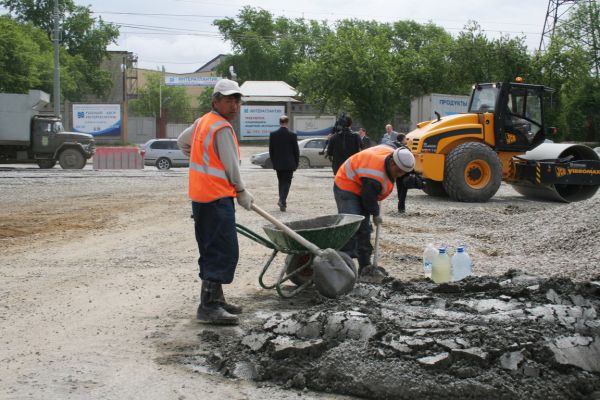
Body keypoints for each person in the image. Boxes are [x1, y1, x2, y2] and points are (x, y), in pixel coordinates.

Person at [177, 78, 253, 326]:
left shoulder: (203, 122)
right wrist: (241, 190)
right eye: (229, 100)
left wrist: (196, 155)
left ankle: (216, 299)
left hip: (201, 197)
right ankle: (208, 306)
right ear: (215, 101)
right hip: (216, 196)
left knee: (211, 247)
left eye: (237, 100)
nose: (234, 106)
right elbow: (231, 165)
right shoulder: (220, 128)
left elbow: (182, 141)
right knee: (223, 250)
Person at [334, 145, 415, 276]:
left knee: (364, 228)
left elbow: (369, 197)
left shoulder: (394, 155)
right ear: (393, 162)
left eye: (404, 173)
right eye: (399, 171)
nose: (400, 175)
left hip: (363, 184)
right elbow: (368, 200)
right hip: (347, 183)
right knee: (351, 224)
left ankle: (365, 266)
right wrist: (376, 214)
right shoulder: (375, 175)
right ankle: (343, 265)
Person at [268, 115, 299, 212]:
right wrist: (296, 164)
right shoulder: (292, 135)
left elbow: (271, 150)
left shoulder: (273, 134)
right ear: (287, 122)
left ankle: (282, 201)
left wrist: (274, 162)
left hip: (278, 164)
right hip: (289, 164)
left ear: (280, 122)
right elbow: (296, 151)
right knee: (287, 183)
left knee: (281, 182)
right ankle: (282, 200)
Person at [393, 133, 425, 213]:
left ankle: (400, 206)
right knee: (403, 191)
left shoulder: (395, 148)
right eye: (405, 139)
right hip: (405, 172)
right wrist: (414, 172)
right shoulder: (406, 149)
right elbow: (409, 161)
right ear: (402, 140)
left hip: (397, 171)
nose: (406, 140)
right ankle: (401, 209)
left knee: (399, 189)